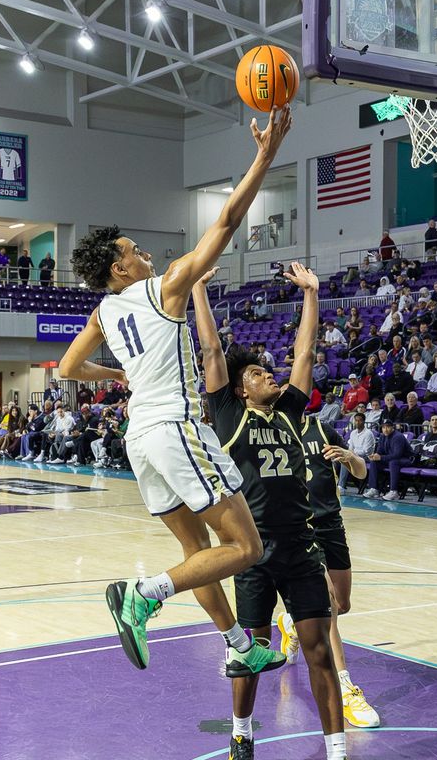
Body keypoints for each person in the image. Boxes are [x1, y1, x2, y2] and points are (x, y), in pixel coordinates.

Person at [58, 106, 292, 676]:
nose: (145, 255)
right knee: (246, 549)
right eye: (134, 251)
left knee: (199, 553)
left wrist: (117, 377)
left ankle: (240, 645)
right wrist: (264, 156)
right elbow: (229, 222)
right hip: (176, 428)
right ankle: (143, 593)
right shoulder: (163, 289)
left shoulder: (104, 313)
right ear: (119, 269)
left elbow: (66, 369)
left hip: (141, 437)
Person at [197, 263, 351, 760]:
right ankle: (241, 732)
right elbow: (214, 350)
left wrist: (312, 293)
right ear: (242, 388)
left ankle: (336, 749)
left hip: (302, 547)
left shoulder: (289, 411)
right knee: (250, 654)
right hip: (254, 550)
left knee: (319, 650)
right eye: (259, 374)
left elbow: (305, 350)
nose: (272, 376)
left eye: (270, 371)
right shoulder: (229, 414)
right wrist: (199, 288)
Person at [277, 414, 379, 729]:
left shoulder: (323, 428)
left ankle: (292, 624)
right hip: (300, 528)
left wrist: (350, 457)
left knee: (343, 603)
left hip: (332, 524)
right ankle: (346, 687)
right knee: (329, 605)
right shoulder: (274, 430)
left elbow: (361, 473)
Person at [363, 418, 413, 501]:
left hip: (406, 459)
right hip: (391, 459)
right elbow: (380, 451)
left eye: (388, 427)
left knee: (393, 462)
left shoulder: (398, 437)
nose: (385, 429)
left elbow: (397, 455)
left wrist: (381, 457)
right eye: (383, 427)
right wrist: (375, 455)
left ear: (392, 427)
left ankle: (394, 491)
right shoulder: (382, 436)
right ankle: (374, 489)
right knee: (374, 462)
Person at [337, 412, 375, 494]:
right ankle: (334, 484)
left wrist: (352, 454)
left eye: (360, 420)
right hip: (355, 455)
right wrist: (351, 453)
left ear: (364, 421)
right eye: (356, 420)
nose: (357, 422)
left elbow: (366, 451)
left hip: (367, 458)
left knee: (346, 460)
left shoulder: (368, 434)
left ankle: (341, 487)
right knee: (337, 459)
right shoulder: (353, 433)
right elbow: (351, 448)